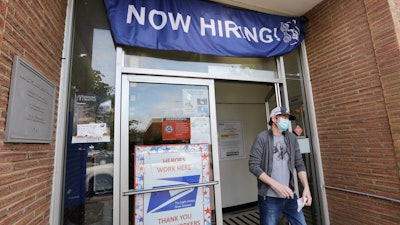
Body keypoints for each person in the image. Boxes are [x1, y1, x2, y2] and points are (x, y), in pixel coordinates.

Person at [249, 106, 312, 225]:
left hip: (290, 196)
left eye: (288, 118)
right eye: (284, 117)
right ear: (274, 119)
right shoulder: (262, 138)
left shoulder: (291, 138)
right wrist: (277, 185)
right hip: (269, 198)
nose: (287, 121)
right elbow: (253, 166)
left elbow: (299, 164)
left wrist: (306, 188)